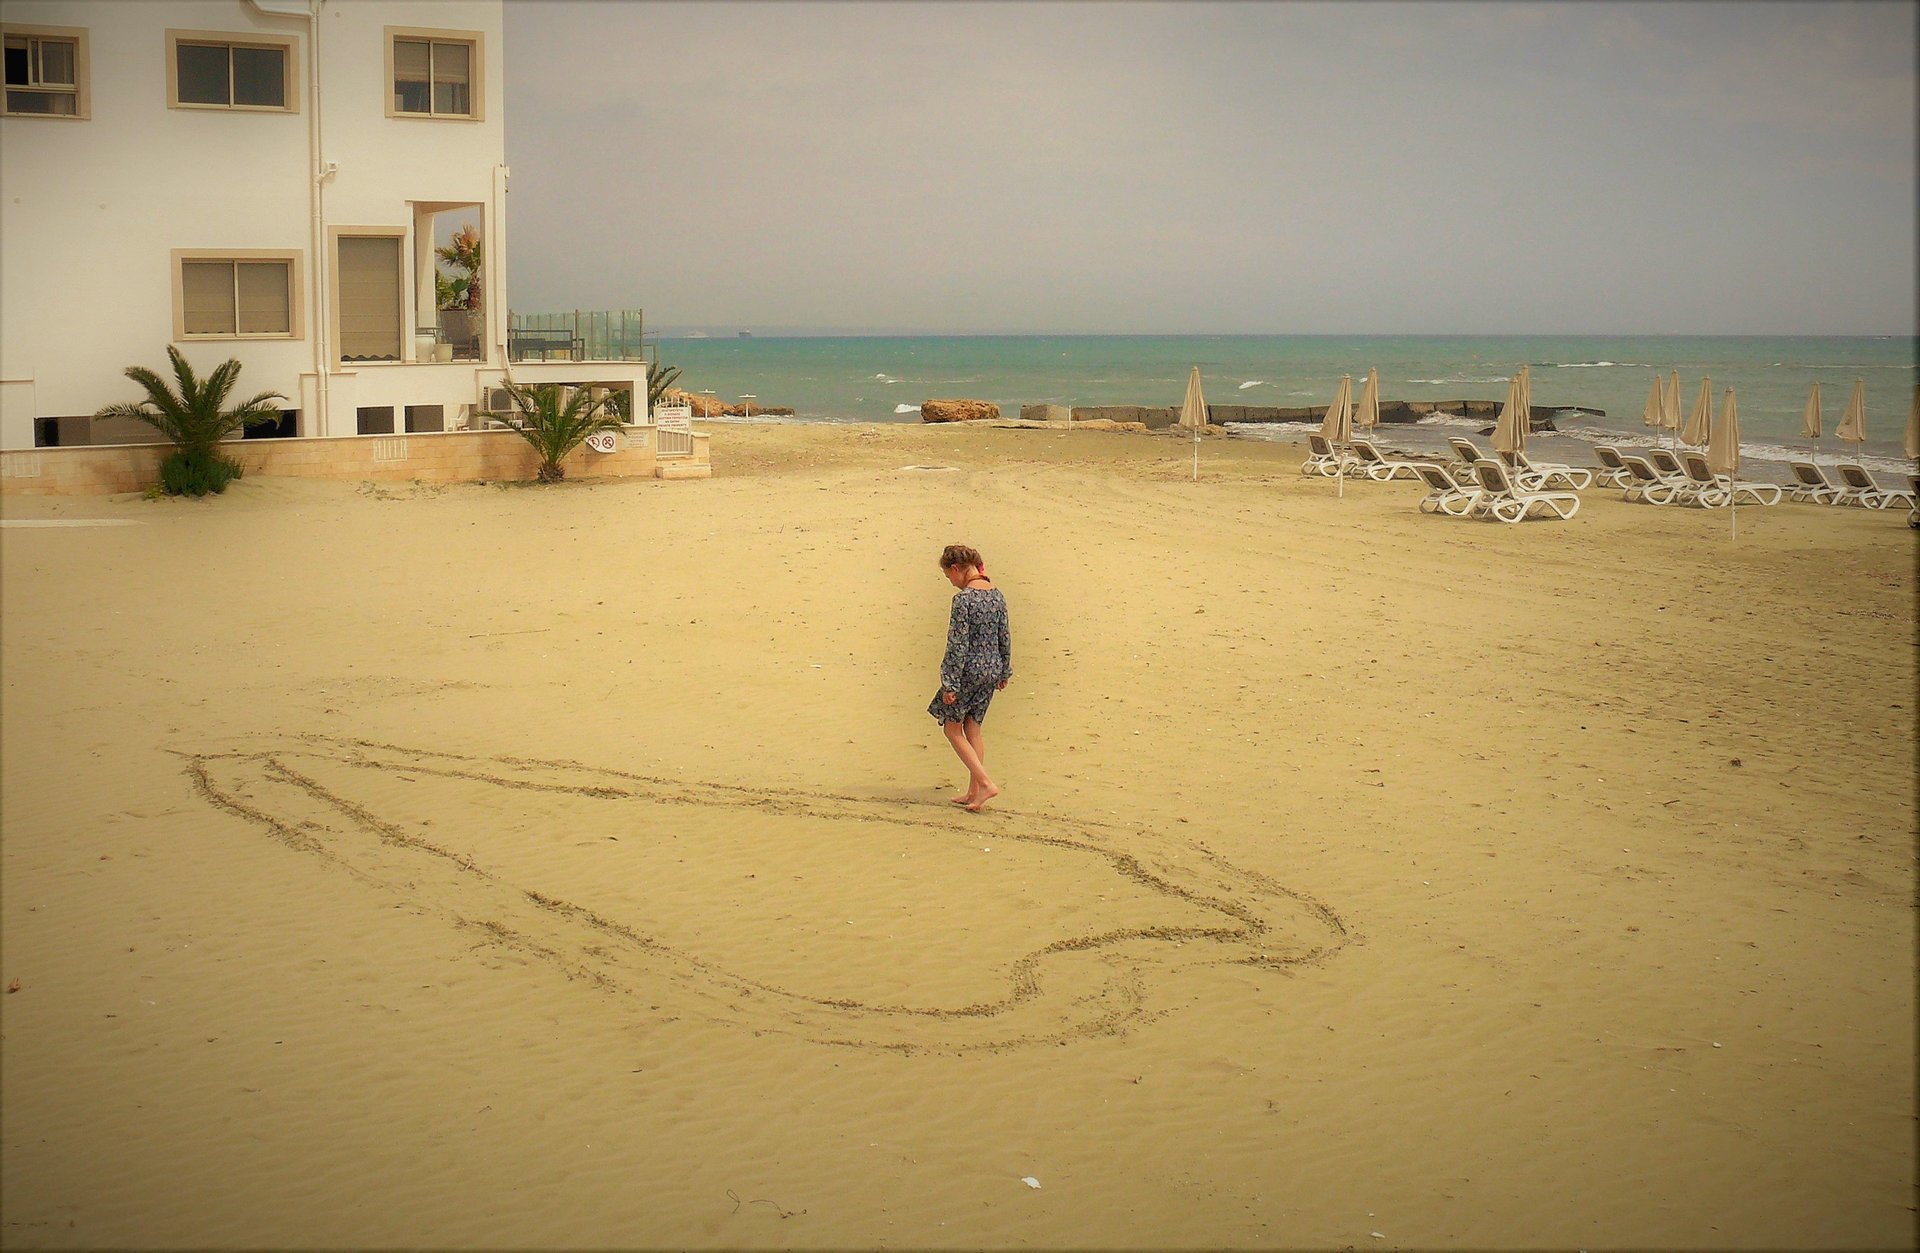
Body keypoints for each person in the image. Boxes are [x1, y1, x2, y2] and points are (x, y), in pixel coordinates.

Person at [928, 543, 1011, 812]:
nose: (951, 583)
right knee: (973, 728)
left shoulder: (963, 600)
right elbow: (1004, 636)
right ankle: (974, 792)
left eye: (949, 576)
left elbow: (957, 644)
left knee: (952, 729)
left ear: (956, 569)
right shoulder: (997, 595)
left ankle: (985, 784)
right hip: (991, 670)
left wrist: (949, 683)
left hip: (968, 672)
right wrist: (1004, 670)